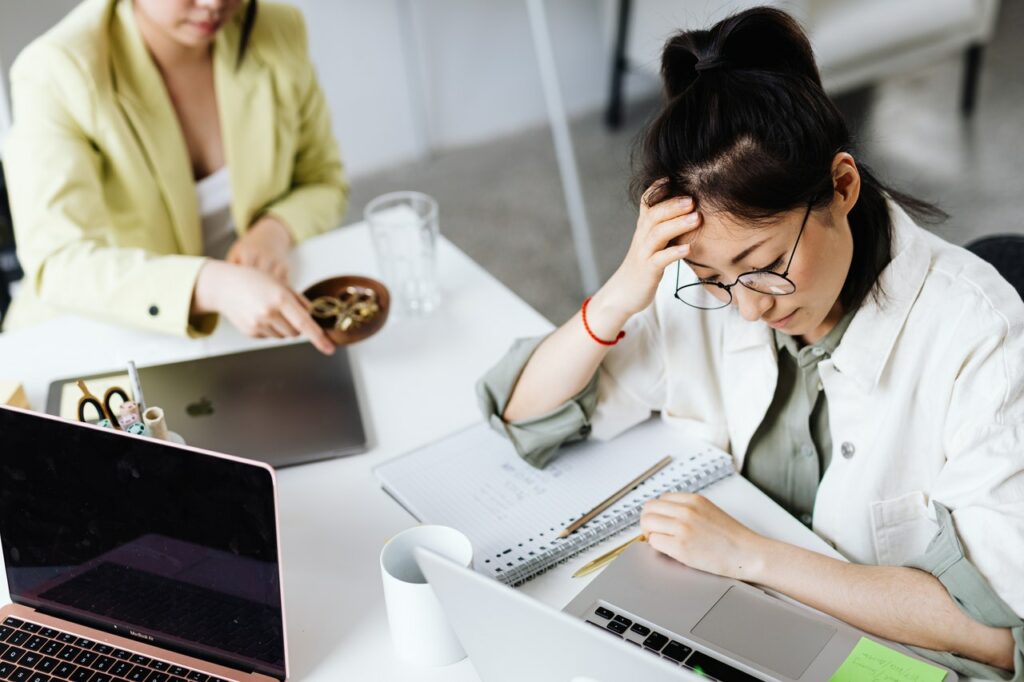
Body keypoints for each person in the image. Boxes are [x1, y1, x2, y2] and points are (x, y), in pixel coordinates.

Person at [478, 8, 1023, 678]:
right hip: (745, 617)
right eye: (712, 278)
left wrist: (750, 556)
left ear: (842, 186)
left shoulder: (980, 334)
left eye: (765, 264)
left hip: (883, 658)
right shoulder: (709, 291)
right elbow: (525, 416)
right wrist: (625, 289)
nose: (749, 306)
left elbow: (1001, 634)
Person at [1, 0, 346, 354]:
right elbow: (59, 261)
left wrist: (276, 228)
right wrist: (210, 284)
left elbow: (323, 179)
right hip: (94, 334)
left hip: (241, 321)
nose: (214, 5)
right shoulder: (57, 69)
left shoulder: (276, 27)